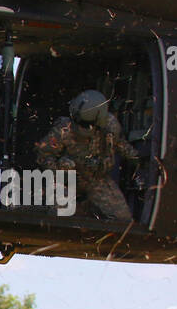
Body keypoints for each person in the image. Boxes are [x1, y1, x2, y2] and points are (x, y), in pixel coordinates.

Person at [36, 89, 141, 222]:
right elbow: (44, 155)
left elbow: (120, 144)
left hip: (96, 179)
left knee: (122, 219)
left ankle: (87, 207)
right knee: (60, 219)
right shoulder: (63, 129)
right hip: (67, 180)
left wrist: (138, 160)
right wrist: (59, 172)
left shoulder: (110, 127)